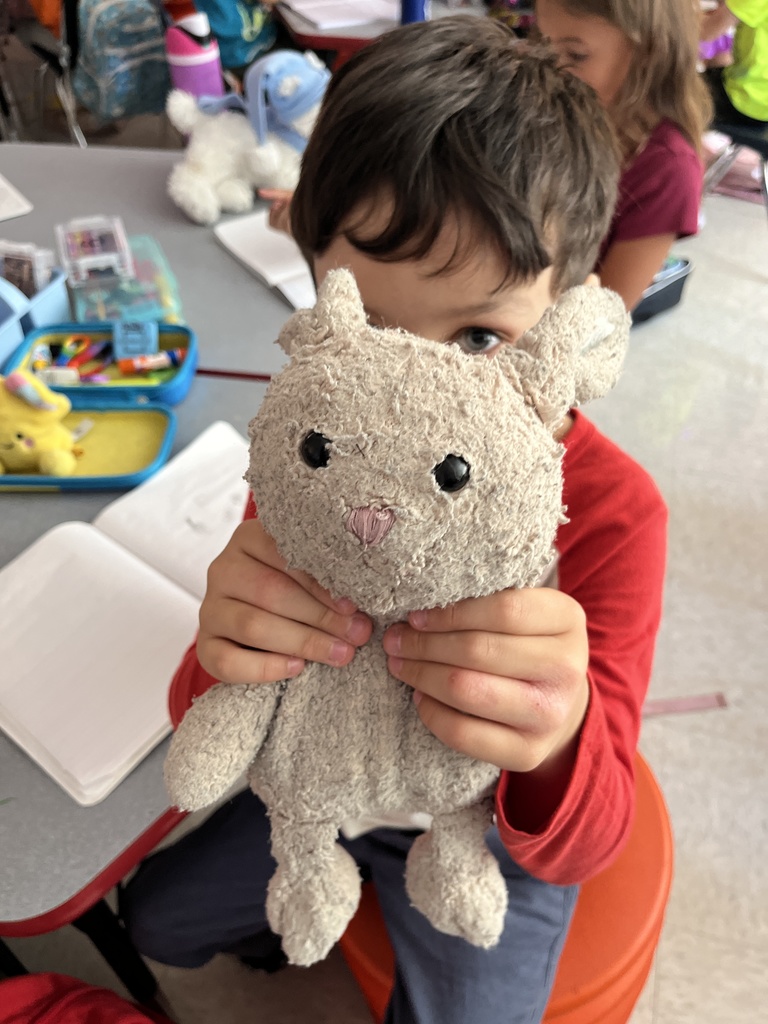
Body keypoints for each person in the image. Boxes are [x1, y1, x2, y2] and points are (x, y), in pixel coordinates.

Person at [120, 17, 667, 1024]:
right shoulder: (319, 452)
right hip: (321, 777)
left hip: (487, 829)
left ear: (562, 320)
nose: (398, 409)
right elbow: (213, 708)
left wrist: (556, 736)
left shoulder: (615, 511)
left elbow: (592, 835)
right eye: (368, 322)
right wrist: (222, 644)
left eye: (476, 337)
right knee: (155, 919)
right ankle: (303, 914)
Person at [534, 0, 712, 311]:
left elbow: (605, 317)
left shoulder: (668, 171)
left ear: (648, 53)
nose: (550, 71)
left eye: (576, 55)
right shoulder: (559, 109)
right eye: (544, 45)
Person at [701, 1, 768, 124]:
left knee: (670, 93)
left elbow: (705, 32)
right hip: (762, 98)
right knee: (718, 57)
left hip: (748, 100)